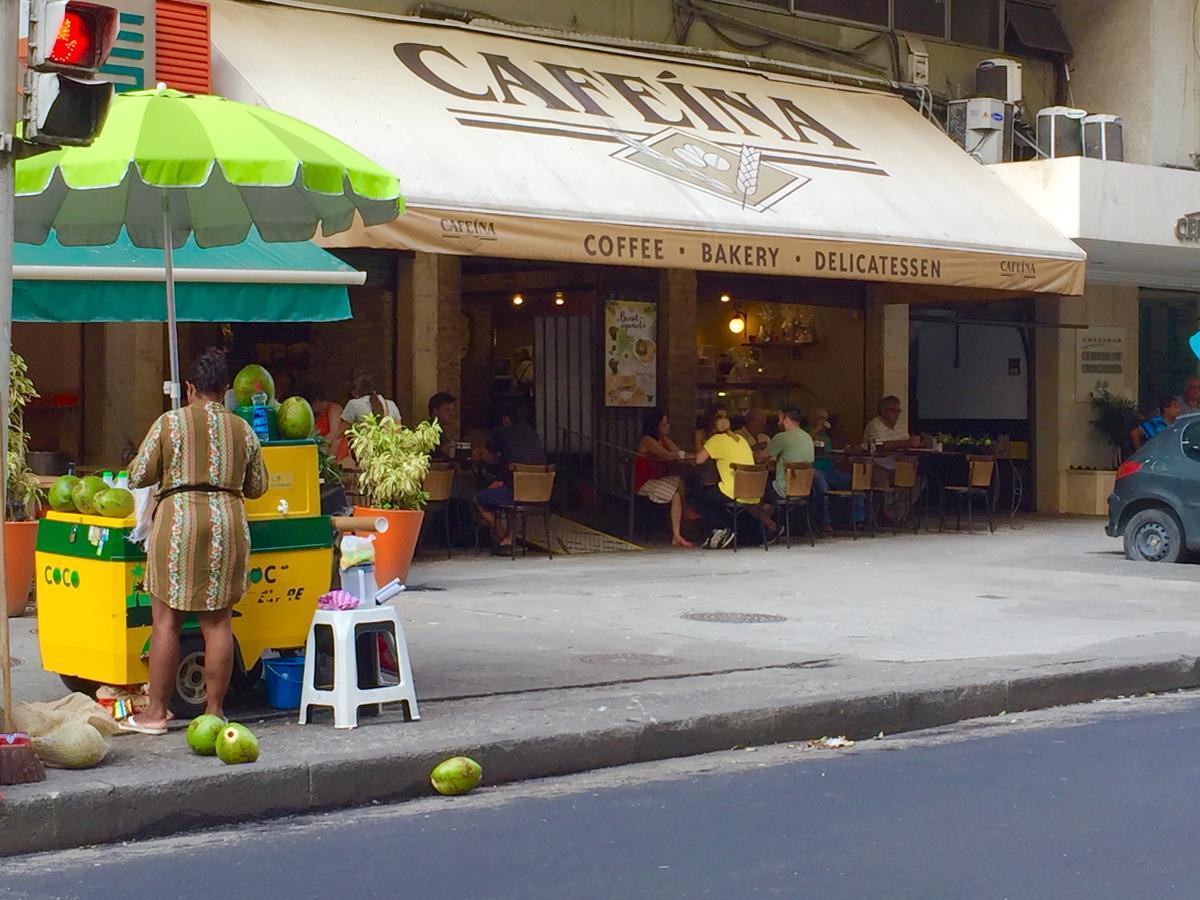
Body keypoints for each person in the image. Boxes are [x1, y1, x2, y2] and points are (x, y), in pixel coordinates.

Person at [121, 348, 268, 734]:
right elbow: (258, 487)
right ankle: (214, 713)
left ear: (190, 387)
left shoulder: (170, 423)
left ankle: (155, 714)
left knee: (166, 620)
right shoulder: (243, 429)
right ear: (225, 390)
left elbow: (137, 475)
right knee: (218, 621)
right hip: (227, 521)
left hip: (179, 521)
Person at [692, 407, 774, 548]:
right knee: (718, 498)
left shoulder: (715, 440)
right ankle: (731, 531)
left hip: (732, 490)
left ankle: (722, 528)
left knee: (699, 498)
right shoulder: (740, 439)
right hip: (751, 490)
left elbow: (699, 460)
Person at [475, 405, 547, 550]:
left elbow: (486, 455)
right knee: (509, 493)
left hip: (515, 492)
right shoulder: (532, 433)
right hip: (542, 493)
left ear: (506, 419)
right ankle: (510, 537)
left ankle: (503, 537)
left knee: (479, 499)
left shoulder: (503, 432)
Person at [635, 409, 693, 548]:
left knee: (677, 496)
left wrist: (689, 455)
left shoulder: (665, 439)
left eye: (667, 424)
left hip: (660, 480)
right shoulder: (648, 440)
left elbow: (677, 452)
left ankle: (676, 535)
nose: (668, 427)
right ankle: (686, 512)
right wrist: (684, 455)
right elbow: (667, 455)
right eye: (664, 424)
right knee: (679, 481)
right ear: (655, 426)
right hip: (646, 482)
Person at [808, 406, 853, 533]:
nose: (823, 421)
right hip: (815, 468)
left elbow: (829, 454)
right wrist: (816, 429)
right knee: (823, 488)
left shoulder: (826, 437)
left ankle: (857, 519)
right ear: (812, 418)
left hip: (829, 469)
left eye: (825, 419)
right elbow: (805, 441)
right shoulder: (805, 432)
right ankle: (825, 522)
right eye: (820, 418)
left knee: (854, 482)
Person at [765, 407, 814, 503]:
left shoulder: (781, 437)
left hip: (782, 491)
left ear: (786, 420)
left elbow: (763, 457)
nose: (778, 423)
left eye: (779, 419)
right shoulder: (808, 437)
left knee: (757, 486)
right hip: (804, 490)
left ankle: (763, 517)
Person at [428, 392, 457, 460]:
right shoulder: (428, 430)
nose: (451, 414)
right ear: (435, 411)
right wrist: (442, 450)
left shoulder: (440, 429)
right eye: (447, 410)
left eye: (453, 410)